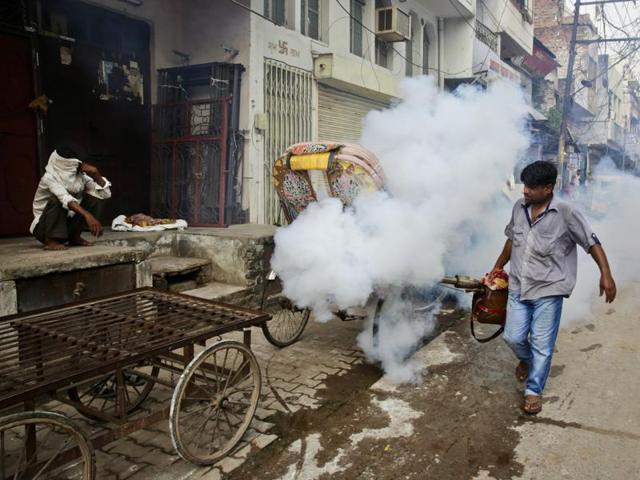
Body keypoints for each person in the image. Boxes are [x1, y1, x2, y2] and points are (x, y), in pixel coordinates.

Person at [492, 161, 616, 415]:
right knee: (512, 337)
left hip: (550, 287)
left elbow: (592, 243)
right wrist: (497, 268)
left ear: (548, 188)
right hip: (518, 285)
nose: (525, 191)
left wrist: (606, 274)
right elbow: (511, 240)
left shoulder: (566, 213)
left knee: (541, 343)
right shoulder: (519, 208)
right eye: (524, 185)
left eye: (531, 187)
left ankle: (533, 391)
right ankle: (526, 361)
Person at [30, 144, 112, 250]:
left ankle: (74, 237)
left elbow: (104, 195)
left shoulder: (79, 175)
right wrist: (88, 216)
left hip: (66, 226)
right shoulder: (49, 177)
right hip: (44, 229)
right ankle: (51, 241)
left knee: (94, 198)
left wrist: (96, 173)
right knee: (56, 199)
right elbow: (65, 198)